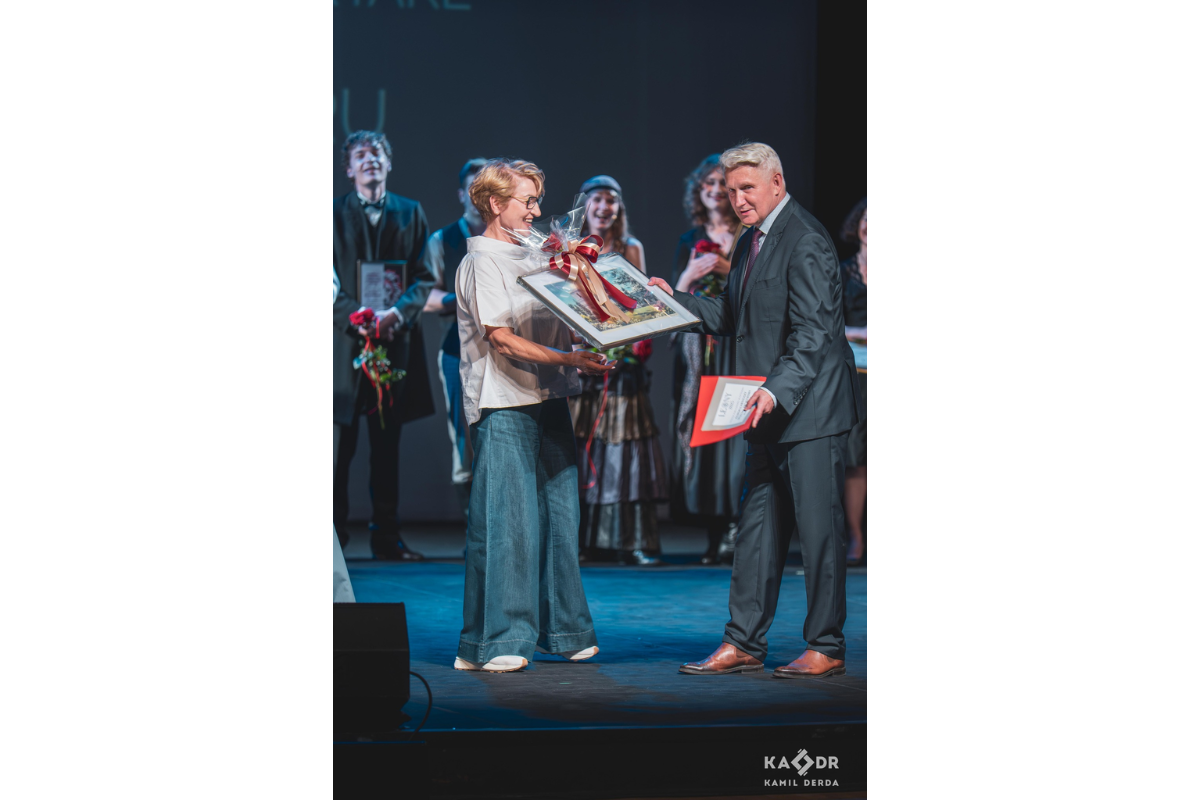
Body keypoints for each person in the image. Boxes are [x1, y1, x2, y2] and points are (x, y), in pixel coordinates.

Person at [648, 143, 864, 679]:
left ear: (776, 182)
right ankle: (743, 642)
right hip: (765, 407)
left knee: (819, 532)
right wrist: (672, 300)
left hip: (808, 409)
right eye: (731, 191)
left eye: (748, 188)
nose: (738, 200)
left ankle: (826, 646)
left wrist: (777, 388)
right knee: (756, 530)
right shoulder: (752, 239)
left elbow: (816, 333)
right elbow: (732, 315)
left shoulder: (805, 239)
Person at [453, 158, 609, 673]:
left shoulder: (537, 255)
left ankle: (564, 630)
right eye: (528, 201)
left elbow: (564, 316)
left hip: (548, 396)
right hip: (504, 401)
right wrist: (569, 358)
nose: (537, 211)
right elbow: (501, 339)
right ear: (496, 204)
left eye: (538, 200)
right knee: (507, 523)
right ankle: (498, 639)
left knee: (561, 517)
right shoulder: (482, 262)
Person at [333, 130, 435, 561]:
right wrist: (356, 317)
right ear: (349, 169)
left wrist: (396, 314)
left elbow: (425, 277)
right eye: (361, 154)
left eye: (377, 153)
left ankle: (387, 537)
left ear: (389, 163)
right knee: (337, 449)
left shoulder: (410, 212)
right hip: (344, 347)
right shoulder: (329, 214)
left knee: (386, 446)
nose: (370, 159)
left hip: (393, 342)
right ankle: (332, 542)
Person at [570, 175, 669, 566]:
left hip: (622, 363)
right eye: (597, 199)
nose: (604, 207)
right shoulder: (570, 248)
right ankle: (580, 541)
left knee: (626, 449)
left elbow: (640, 301)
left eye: (611, 200)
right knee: (582, 446)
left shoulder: (631, 247)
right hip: (583, 360)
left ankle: (631, 541)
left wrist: (630, 339)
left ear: (618, 207)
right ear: (586, 206)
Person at [670, 155, 746, 565]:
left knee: (734, 432)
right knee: (706, 434)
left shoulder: (747, 234)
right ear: (698, 193)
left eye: (722, 184)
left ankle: (735, 527)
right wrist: (691, 276)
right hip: (701, 350)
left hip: (735, 346)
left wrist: (726, 265)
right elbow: (673, 292)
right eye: (708, 185)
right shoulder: (690, 239)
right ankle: (714, 530)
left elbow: (758, 287)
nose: (715, 191)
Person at [423, 158, 489, 518]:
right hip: (457, 348)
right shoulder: (443, 239)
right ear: (463, 194)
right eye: (473, 187)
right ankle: (473, 525)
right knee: (463, 436)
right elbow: (426, 297)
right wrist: (463, 295)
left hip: (505, 347)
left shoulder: (512, 236)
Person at [839, 199, 867, 565]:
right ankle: (856, 537)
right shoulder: (844, 271)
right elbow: (827, 323)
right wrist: (859, 333)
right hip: (858, 373)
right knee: (857, 459)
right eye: (866, 218)